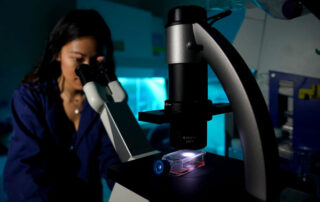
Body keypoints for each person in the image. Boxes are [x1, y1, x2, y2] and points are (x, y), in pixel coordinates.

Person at [4, 9, 120, 202]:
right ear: (57, 54)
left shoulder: (103, 100)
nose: (86, 69)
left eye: (94, 60)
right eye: (77, 59)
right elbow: (26, 169)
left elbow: (111, 160)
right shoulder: (31, 98)